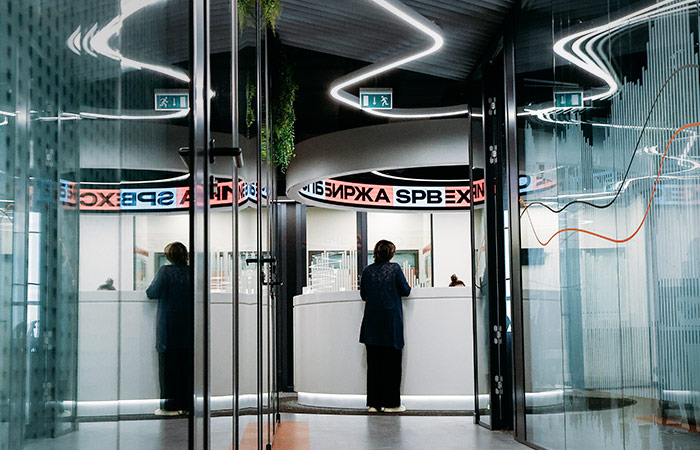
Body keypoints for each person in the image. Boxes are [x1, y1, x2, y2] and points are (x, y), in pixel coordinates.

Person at [359, 239, 411, 413]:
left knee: (374, 366)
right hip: (390, 323)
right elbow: (405, 290)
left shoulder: (367, 271)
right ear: (391, 254)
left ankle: (374, 404)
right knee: (392, 366)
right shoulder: (394, 268)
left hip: (372, 324)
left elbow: (363, 295)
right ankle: (391, 404)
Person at [146, 242, 192, 416]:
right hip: (189, 329)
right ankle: (187, 406)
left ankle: (170, 407)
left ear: (169, 257)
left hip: (169, 329)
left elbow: (152, 293)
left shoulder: (165, 272)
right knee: (186, 370)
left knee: (168, 372)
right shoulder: (192, 272)